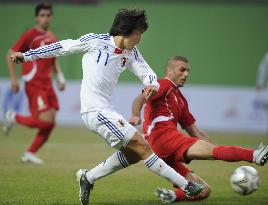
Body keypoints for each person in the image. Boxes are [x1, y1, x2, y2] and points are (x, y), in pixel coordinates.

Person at [9, 8, 205, 205]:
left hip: (107, 110)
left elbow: (147, 73)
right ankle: (186, 185)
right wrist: (26, 56)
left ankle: (89, 177)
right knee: (142, 146)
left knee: (133, 154)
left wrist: (152, 85)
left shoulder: (131, 52)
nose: (139, 38)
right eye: (138, 33)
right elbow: (62, 46)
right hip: (94, 110)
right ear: (127, 29)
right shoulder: (95, 41)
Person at [130, 55, 268, 203]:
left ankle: (172, 196)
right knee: (214, 153)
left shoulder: (181, 100)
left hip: (162, 154)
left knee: (203, 190)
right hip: (164, 138)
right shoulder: (163, 84)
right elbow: (141, 98)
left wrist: (219, 151)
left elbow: (195, 132)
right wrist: (135, 115)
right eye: (182, 70)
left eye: (188, 71)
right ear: (169, 71)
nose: (186, 74)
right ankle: (255, 155)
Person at [3, 3, 65, 165]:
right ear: (37, 17)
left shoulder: (51, 36)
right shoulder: (30, 35)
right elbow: (9, 55)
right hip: (34, 83)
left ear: (51, 17)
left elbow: (54, 59)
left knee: (51, 123)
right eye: (42, 15)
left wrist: (59, 76)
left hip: (48, 83)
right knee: (44, 121)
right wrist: (14, 79)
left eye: (48, 15)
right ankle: (12, 116)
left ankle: (29, 153)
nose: (45, 18)